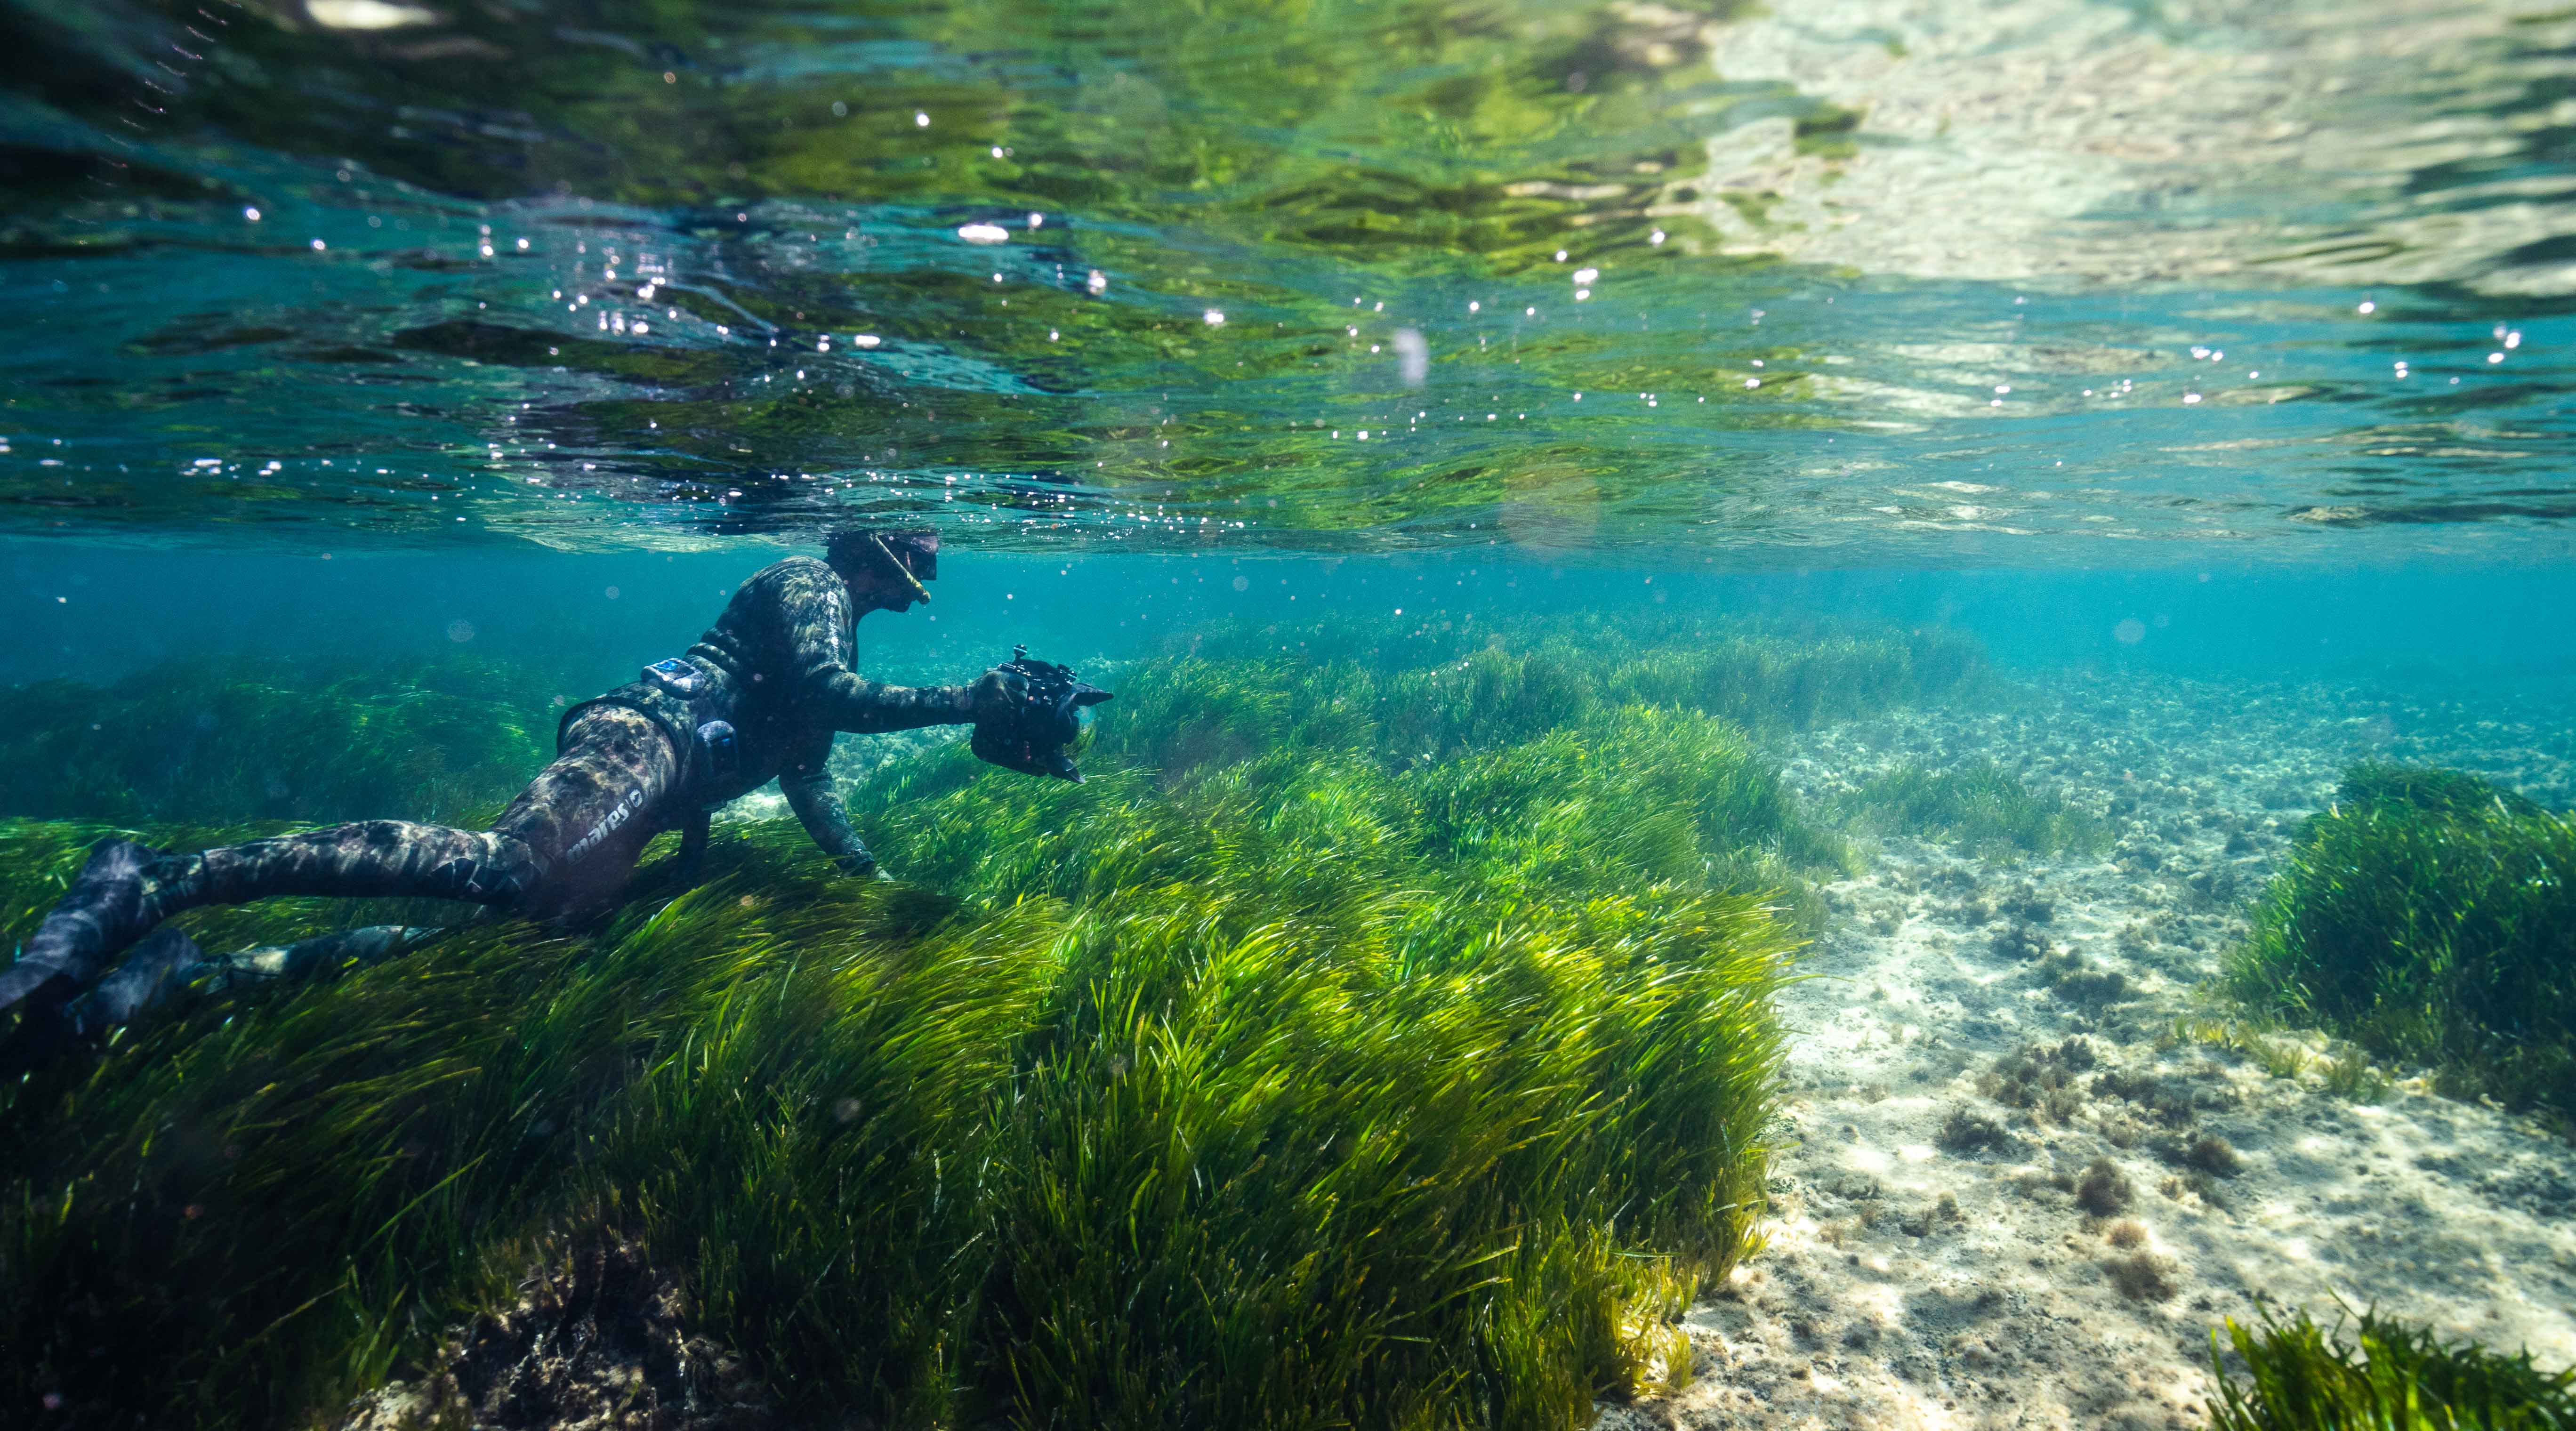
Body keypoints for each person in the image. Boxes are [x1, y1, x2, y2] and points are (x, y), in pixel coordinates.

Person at [0, 527, 1014, 1057]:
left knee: (499, 933)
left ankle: (205, 979)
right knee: (506, 868)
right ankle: (153, 880)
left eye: (911, 588)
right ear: (869, 555)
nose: (906, 598)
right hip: (637, 744)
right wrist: (969, 698)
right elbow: (834, 695)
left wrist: (868, 877)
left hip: (657, 792)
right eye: (905, 578)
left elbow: (810, 777)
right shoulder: (810, 585)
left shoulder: (837, 623)